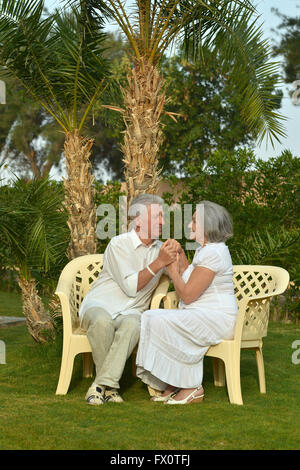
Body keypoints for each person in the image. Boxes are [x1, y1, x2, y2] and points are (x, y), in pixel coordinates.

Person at [79, 193, 180, 405]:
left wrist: (180, 255)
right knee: (102, 322)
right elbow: (131, 287)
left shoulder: (161, 249)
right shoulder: (119, 244)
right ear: (138, 220)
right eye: (157, 217)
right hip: (100, 305)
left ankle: (101, 386)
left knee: (134, 324)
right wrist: (159, 262)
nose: (163, 221)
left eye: (163, 216)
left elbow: (184, 278)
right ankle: (110, 388)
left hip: (132, 311)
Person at [136, 200, 238, 405]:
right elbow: (190, 274)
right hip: (204, 315)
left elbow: (188, 295)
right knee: (151, 317)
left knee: (159, 321)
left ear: (207, 226)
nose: (190, 226)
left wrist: (172, 271)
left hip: (217, 319)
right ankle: (176, 380)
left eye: (194, 222)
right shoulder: (207, 249)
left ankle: (191, 386)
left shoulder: (213, 253)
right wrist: (180, 253)